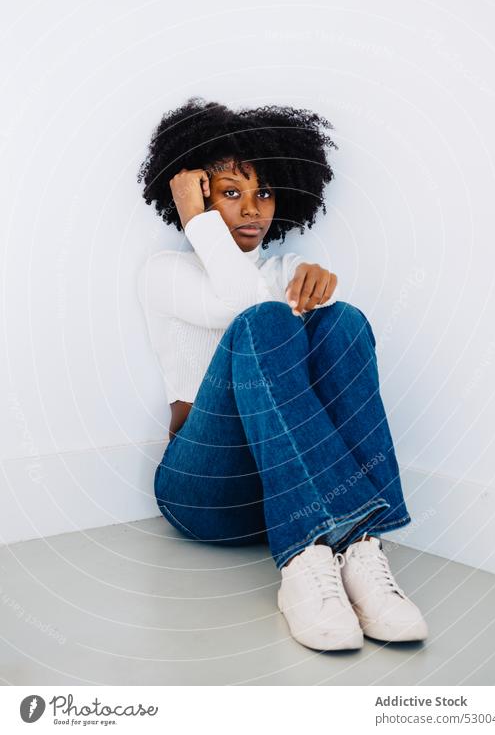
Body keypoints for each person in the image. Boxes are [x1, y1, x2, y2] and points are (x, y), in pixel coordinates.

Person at [136, 97, 428, 651]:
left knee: (343, 320)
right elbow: (243, 309)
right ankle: (308, 556)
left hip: (283, 498)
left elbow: (323, 347)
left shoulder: (287, 270)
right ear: (196, 197)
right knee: (265, 319)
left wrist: (310, 285)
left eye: (264, 193)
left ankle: (359, 549)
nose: (252, 209)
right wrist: (197, 222)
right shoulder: (165, 271)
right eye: (230, 193)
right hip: (203, 491)